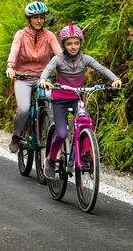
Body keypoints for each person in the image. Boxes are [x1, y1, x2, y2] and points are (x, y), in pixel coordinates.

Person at [38, 21, 121, 179]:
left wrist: (115, 78)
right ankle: (50, 159)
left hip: (77, 99)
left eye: (76, 43)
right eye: (69, 44)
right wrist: (44, 80)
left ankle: (84, 155)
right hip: (60, 100)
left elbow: (101, 68)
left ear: (81, 43)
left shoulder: (86, 59)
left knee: (86, 121)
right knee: (61, 134)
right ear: (64, 45)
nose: (73, 46)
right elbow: (47, 70)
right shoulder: (58, 59)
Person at [5, 1, 62, 153]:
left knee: (50, 102)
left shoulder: (49, 36)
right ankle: (16, 136)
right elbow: (14, 51)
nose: (39, 21)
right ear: (29, 19)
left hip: (43, 78)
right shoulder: (21, 35)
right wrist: (10, 66)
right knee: (23, 109)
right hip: (23, 78)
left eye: (42, 17)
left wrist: (68, 69)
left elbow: (60, 55)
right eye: (35, 17)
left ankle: (47, 130)